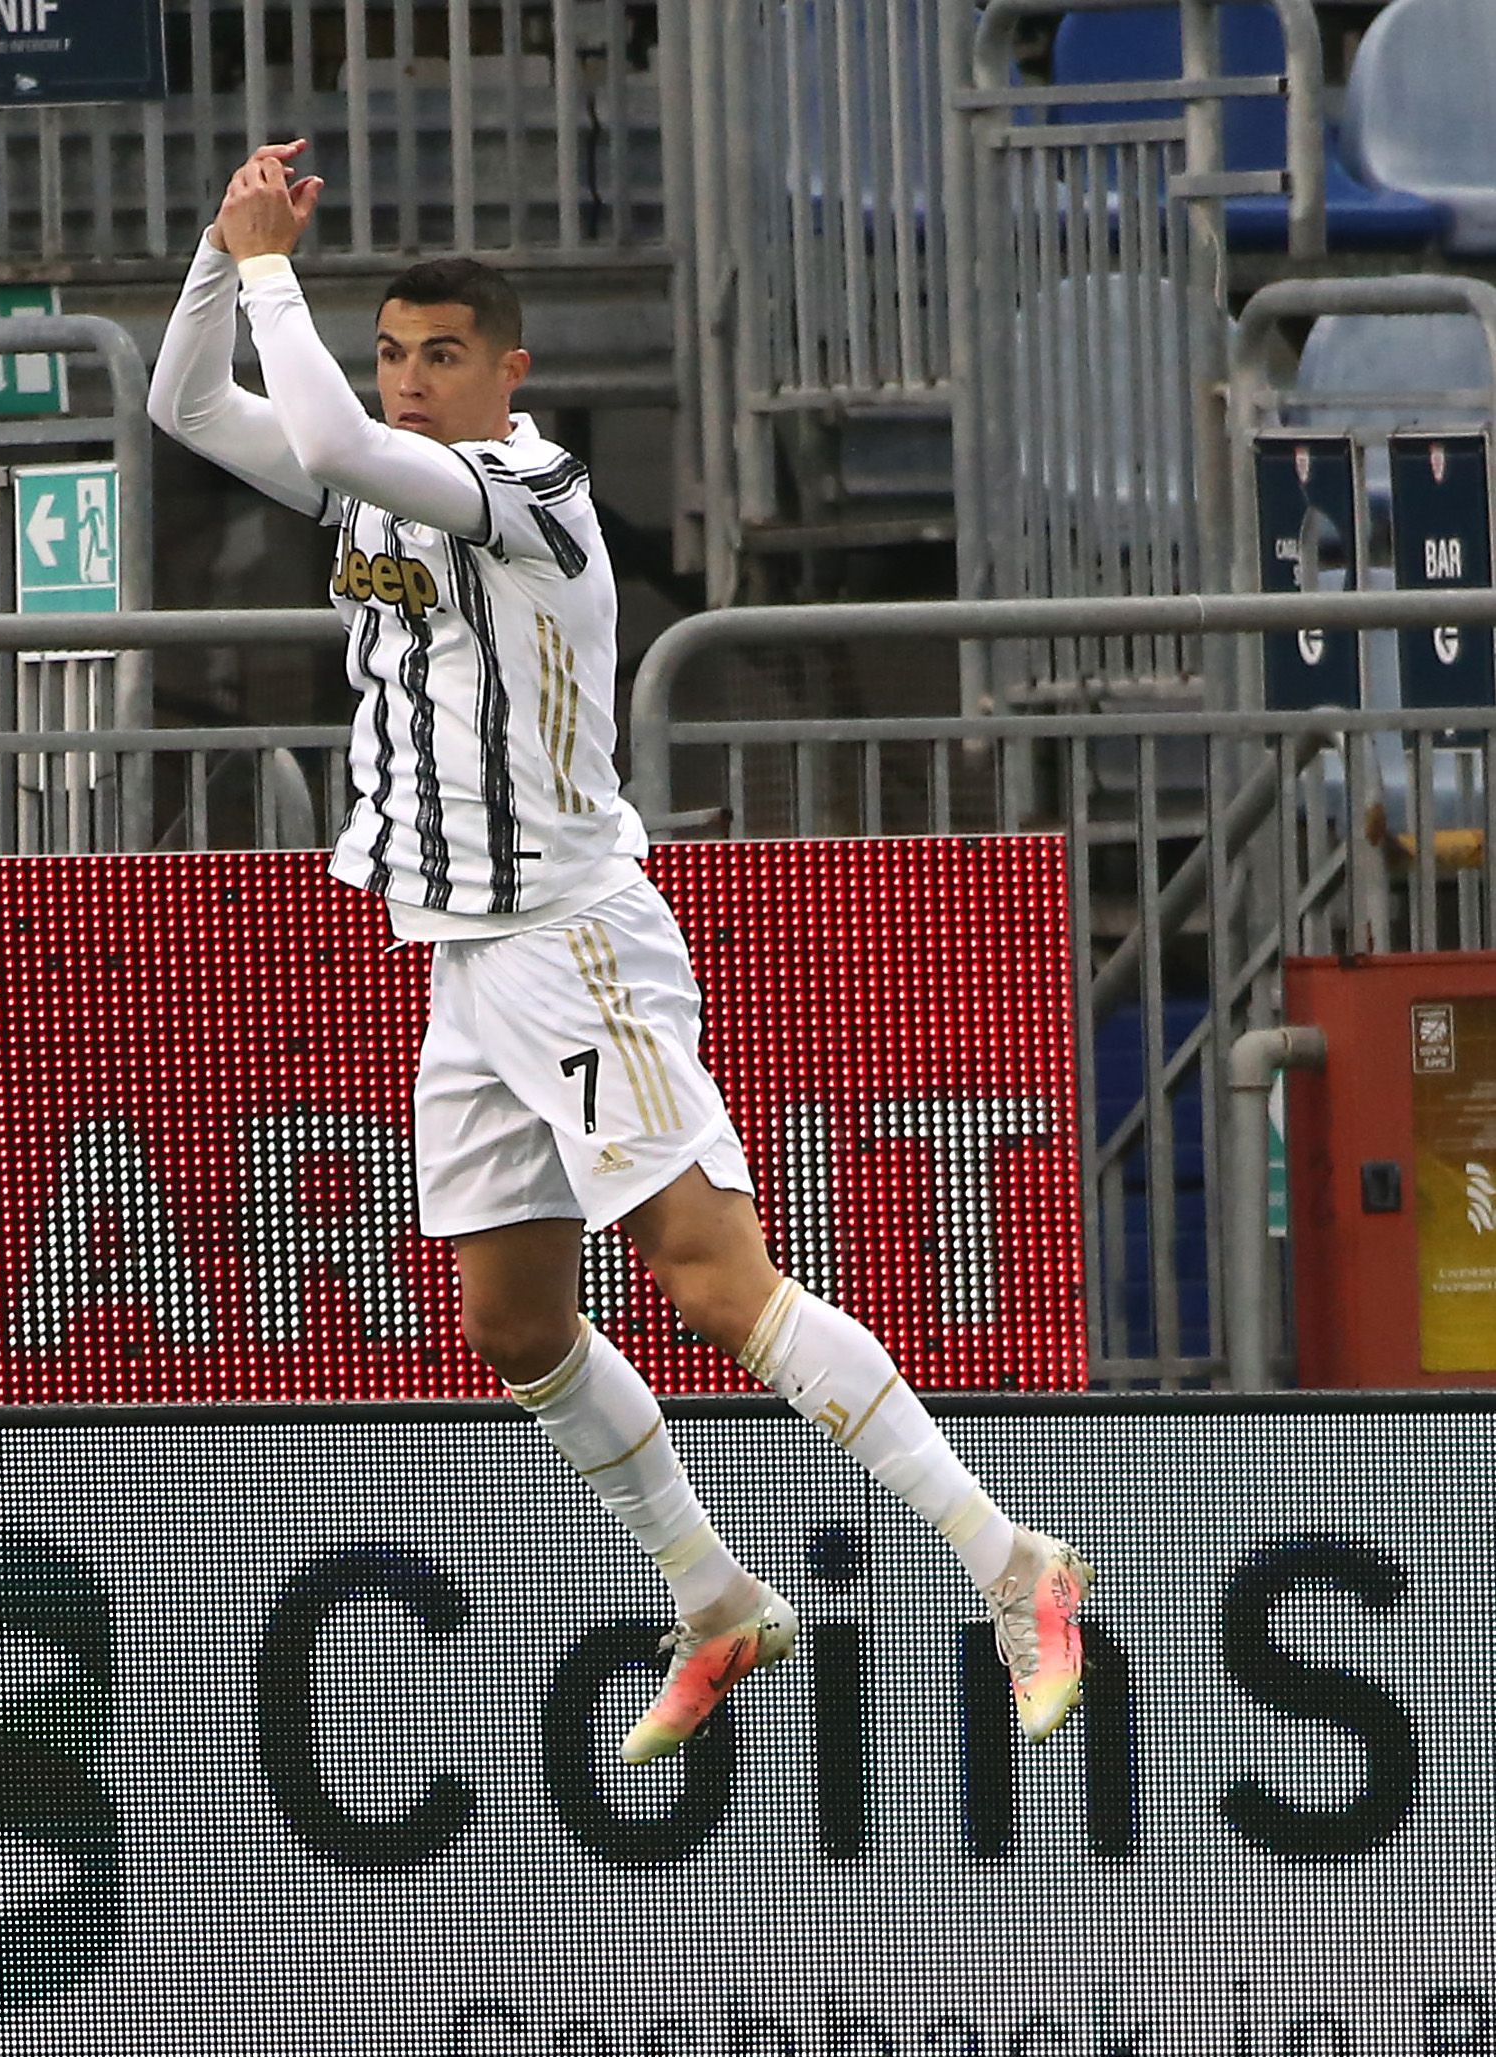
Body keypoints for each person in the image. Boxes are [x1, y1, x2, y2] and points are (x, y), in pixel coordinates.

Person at [147, 143, 1093, 1761]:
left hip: (572, 943)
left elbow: (307, 422)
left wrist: (270, 271)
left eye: (440, 352)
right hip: (460, 958)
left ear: (506, 371)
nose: (407, 375)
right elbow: (186, 408)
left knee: (712, 1278)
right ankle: (715, 1595)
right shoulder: (377, 475)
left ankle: (1010, 1565)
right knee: (511, 1324)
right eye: (391, 350)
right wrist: (219, 254)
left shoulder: (526, 490)